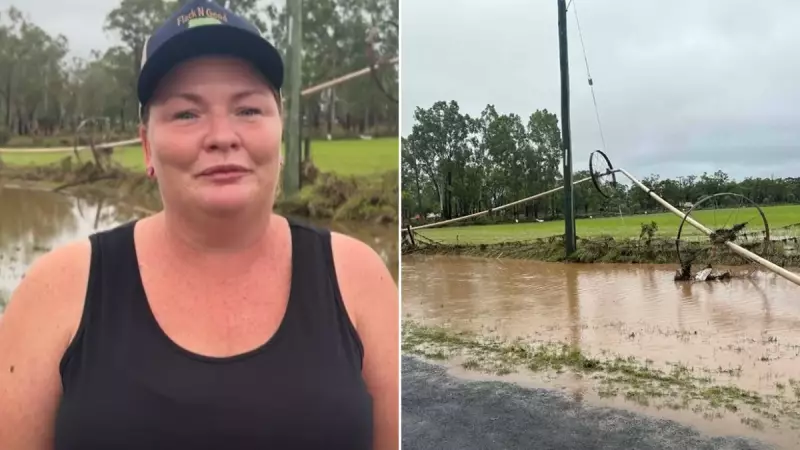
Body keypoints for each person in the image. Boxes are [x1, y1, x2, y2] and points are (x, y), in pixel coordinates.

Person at [0, 1, 399, 449]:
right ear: (147, 146)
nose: (222, 135)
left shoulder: (359, 279)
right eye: (186, 113)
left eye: (248, 110)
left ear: (280, 133)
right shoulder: (56, 291)